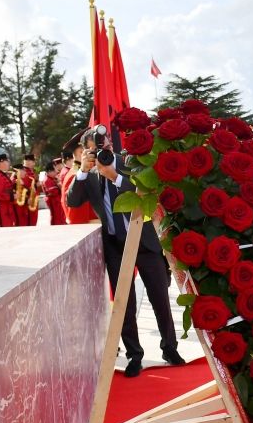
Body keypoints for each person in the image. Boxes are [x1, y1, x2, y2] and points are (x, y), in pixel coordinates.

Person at [66, 138, 184, 374]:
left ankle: (169, 347)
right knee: (124, 303)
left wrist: (115, 177)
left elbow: (146, 193)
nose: (102, 150)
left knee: (160, 297)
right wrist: (82, 171)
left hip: (145, 242)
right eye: (95, 147)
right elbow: (73, 201)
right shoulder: (87, 174)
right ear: (85, 150)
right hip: (115, 246)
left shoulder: (129, 164)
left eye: (105, 143)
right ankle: (134, 355)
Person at [0, 154, 17, 228]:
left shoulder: (2, 174)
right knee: (5, 230)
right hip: (1, 208)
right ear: (1, 162)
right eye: (7, 161)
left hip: (7, 206)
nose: (8, 163)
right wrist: (12, 196)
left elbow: (7, 187)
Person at [42, 160, 67, 225]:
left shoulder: (53, 178)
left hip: (57, 202)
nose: (57, 171)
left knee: (60, 217)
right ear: (49, 171)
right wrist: (59, 186)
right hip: (54, 202)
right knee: (57, 218)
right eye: (54, 170)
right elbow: (54, 192)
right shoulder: (47, 180)